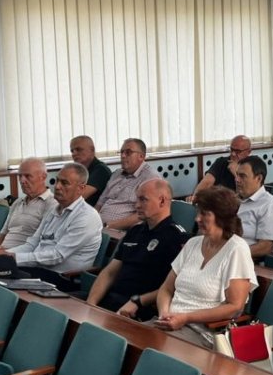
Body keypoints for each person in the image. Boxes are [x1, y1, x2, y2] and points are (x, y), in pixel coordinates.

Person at [118, 186, 257, 348]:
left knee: (148, 349)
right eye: (198, 212)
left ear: (222, 216)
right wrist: (164, 314)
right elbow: (166, 289)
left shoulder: (237, 249)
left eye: (204, 214)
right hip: (168, 323)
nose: (197, 219)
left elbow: (235, 307)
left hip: (202, 332)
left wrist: (186, 318)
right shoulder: (192, 244)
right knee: (121, 341)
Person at [86, 178, 188, 320]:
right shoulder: (135, 231)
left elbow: (174, 287)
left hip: (138, 309)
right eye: (137, 199)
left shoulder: (176, 237)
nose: (137, 205)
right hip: (111, 299)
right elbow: (110, 273)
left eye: (143, 199)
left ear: (162, 201)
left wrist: (138, 302)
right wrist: (91, 304)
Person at [0, 163, 102, 289]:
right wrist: (3, 254)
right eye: (57, 181)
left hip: (63, 278)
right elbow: (32, 244)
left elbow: (57, 256)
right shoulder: (53, 210)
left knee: (0, 274)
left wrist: (11, 258)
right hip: (40, 270)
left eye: (65, 183)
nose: (57, 186)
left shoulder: (86, 216)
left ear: (80, 189)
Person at [0, 158, 57, 253]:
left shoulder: (51, 203)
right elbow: (3, 233)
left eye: (28, 176)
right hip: (1, 255)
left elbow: (40, 244)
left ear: (43, 177)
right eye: (20, 176)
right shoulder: (17, 202)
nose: (22, 180)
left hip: (21, 257)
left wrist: (6, 253)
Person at [95, 138, 157, 230]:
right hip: (98, 228)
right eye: (122, 152)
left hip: (121, 231)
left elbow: (144, 214)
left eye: (128, 152)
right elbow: (100, 203)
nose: (123, 156)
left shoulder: (150, 178)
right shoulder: (117, 174)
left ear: (141, 156)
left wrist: (108, 226)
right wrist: (91, 221)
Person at [234, 156, 273, 260]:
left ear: (259, 178)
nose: (237, 180)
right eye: (237, 175)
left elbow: (265, 247)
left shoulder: (270, 205)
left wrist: (233, 254)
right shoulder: (234, 200)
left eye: (242, 176)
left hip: (244, 260)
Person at [189, 135, 253, 200]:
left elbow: (249, 193)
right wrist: (196, 196)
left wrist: (236, 173)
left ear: (248, 152)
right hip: (218, 201)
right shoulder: (221, 162)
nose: (233, 154)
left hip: (239, 203)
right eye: (232, 150)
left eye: (238, 151)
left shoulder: (253, 166)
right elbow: (207, 182)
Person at [69, 135, 112, 206]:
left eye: (78, 149)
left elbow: (78, 197)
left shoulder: (101, 170)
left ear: (92, 150)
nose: (74, 154)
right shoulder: (80, 170)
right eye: (72, 151)